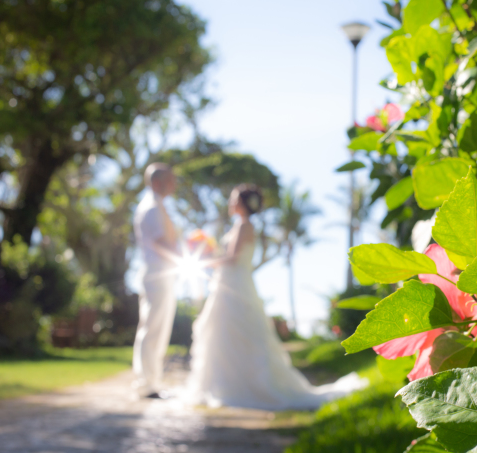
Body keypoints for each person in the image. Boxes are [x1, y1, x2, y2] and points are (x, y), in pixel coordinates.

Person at [187, 184, 367, 410]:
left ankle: (240, 386)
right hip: (229, 284)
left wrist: (206, 260)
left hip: (235, 284)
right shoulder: (240, 225)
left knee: (238, 333)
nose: (231, 203)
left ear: (243, 203)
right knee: (225, 333)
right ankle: (224, 383)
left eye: (234, 199)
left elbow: (232, 258)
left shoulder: (244, 225)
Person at [132, 163, 179, 399]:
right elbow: (161, 243)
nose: (174, 184)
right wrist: (181, 257)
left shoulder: (158, 206)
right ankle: (145, 383)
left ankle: (152, 381)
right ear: (157, 182)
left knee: (159, 328)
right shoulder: (150, 207)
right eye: (170, 180)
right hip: (156, 274)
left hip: (163, 274)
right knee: (152, 327)